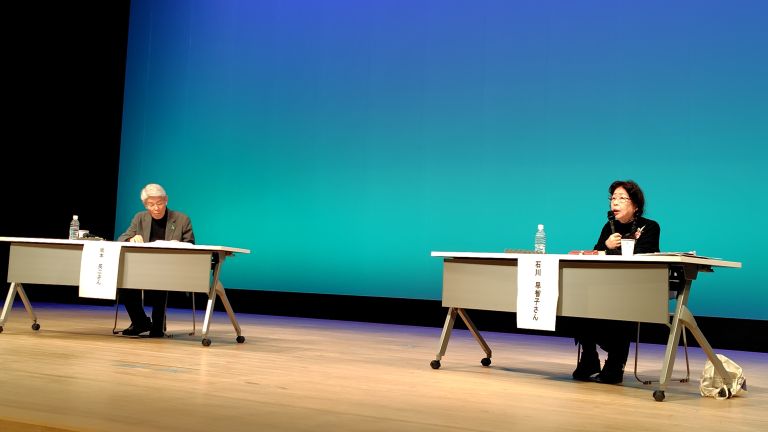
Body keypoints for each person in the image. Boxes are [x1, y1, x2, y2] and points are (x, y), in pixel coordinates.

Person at [572, 179, 660, 384]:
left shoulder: (650, 226)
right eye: (613, 198)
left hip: (636, 288)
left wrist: (609, 250)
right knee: (576, 299)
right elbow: (596, 254)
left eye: (622, 198)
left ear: (635, 205)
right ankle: (589, 357)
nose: (615, 202)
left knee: (622, 304)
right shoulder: (609, 227)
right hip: (605, 286)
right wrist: (606, 244)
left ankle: (615, 361)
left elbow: (644, 253)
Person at [116, 183, 195, 337]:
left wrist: (179, 244)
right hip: (143, 267)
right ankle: (140, 322)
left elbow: (191, 244)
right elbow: (122, 238)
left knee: (160, 278)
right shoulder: (140, 218)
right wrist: (131, 238)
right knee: (123, 281)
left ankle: (158, 326)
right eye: (151, 204)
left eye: (159, 203)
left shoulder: (182, 219)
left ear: (166, 200)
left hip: (172, 268)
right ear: (145, 205)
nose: (156, 208)